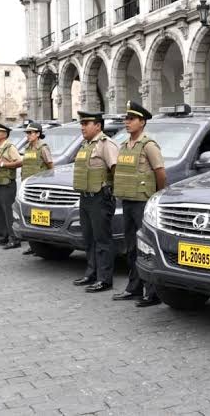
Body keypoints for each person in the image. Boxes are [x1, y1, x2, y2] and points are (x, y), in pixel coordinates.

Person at [112, 101, 166, 307]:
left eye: (131, 119)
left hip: (143, 202)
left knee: (146, 247)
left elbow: (160, 172)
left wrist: (156, 198)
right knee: (131, 248)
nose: (127, 122)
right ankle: (134, 288)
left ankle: (152, 294)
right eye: (126, 119)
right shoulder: (126, 145)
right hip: (127, 200)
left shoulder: (149, 145)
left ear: (142, 122)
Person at [71, 111, 120, 293]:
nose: (82, 127)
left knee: (102, 240)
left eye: (86, 123)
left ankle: (104, 279)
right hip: (86, 197)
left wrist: (112, 192)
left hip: (100, 198)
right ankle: (91, 273)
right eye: (81, 123)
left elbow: (116, 170)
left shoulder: (106, 144)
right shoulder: (86, 145)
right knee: (89, 239)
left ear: (98, 125)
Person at [20, 122, 54, 255]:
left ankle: (44, 246)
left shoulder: (43, 148)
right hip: (28, 188)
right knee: (31, 217)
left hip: (40, 189)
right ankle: (33, 246)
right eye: (27, 133)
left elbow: (51, 166)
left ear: (38, 134)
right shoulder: (28, 148)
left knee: (42, 218)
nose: (28, 135)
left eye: (30, 133)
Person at [0, 122, 23, 249]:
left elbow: (19, 162)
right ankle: (3, 237)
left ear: (4, 134)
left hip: (7, 184)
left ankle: (14, 239)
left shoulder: (10, 147)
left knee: (8, 212)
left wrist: (3, 164)